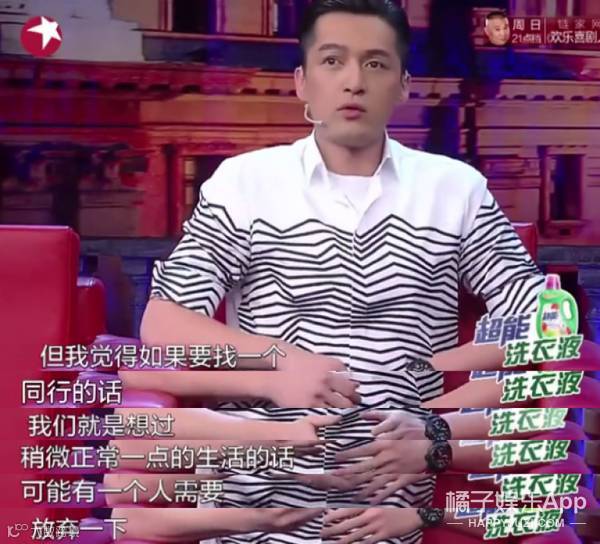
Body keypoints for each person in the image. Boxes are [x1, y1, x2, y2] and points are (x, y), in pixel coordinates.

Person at [137, 0, 545, 542]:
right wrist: (278, 365)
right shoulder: (244, 183)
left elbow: (540, 322)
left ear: (403, 84)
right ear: (302, 82)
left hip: (384, 505)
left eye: (375, 63)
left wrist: (438, 428)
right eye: (333, 61)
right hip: (255, 494)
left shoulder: (454, 189)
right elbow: (164, 323)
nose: (354, 81)